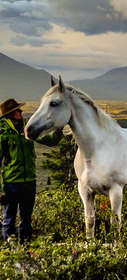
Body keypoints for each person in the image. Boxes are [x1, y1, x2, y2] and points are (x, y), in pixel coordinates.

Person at [0, 98, 62, 242]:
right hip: (11, 183)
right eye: (17, 110)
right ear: (10, 114)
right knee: (9, 219)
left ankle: (26, 251)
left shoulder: (28, 129)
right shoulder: (2, 133)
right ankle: (10, 255)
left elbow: (51, 141)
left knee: (26, 220)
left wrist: (59, 128)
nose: (21, 112)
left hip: (30, 182)